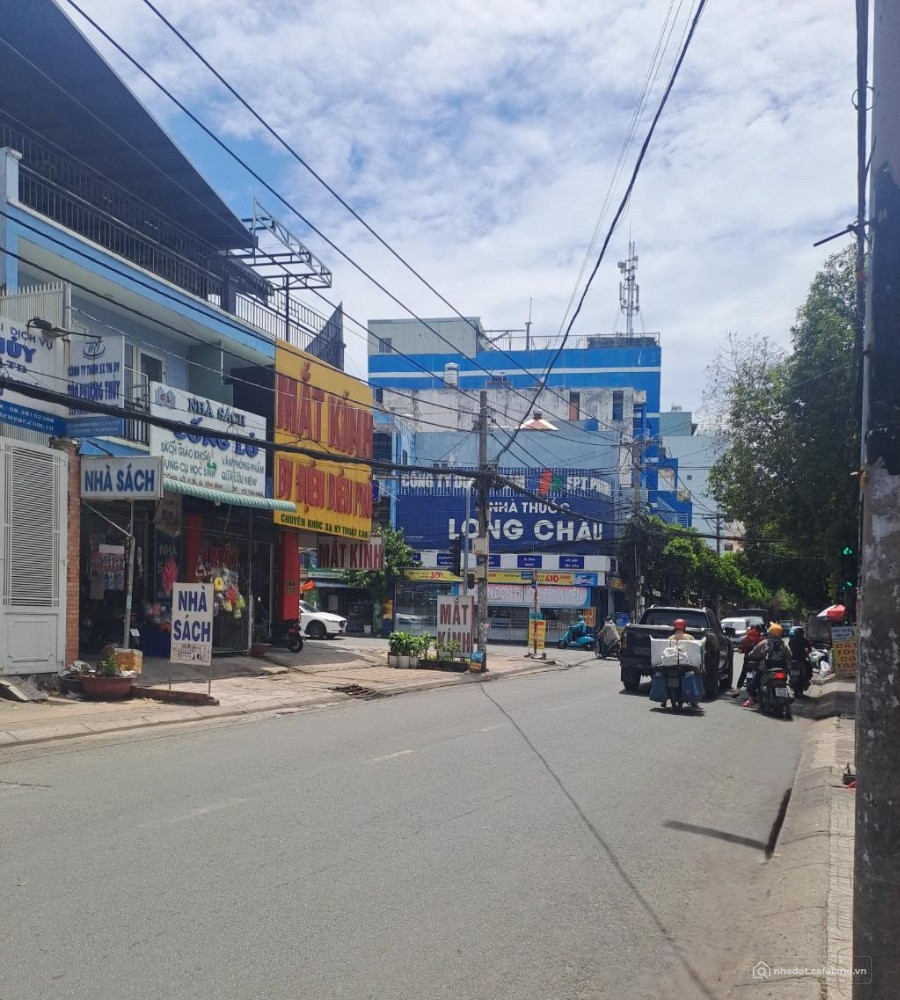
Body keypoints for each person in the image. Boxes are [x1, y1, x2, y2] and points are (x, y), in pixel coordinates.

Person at [743, 623, 788, 708]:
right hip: (781, 669)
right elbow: (789, 655)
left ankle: (751, 699)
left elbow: (754, 653)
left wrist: (749, 656)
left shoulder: (765, 643)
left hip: (766, 668)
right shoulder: (783, 644)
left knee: (755, 683)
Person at [732, 623, 763, 697]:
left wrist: (742, 650)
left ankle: (737, 690)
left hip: (748, 659)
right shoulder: (761, 638)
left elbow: (743, 647)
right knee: (760, 673)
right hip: (757, 660)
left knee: (743, 673)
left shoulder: (748, 636)